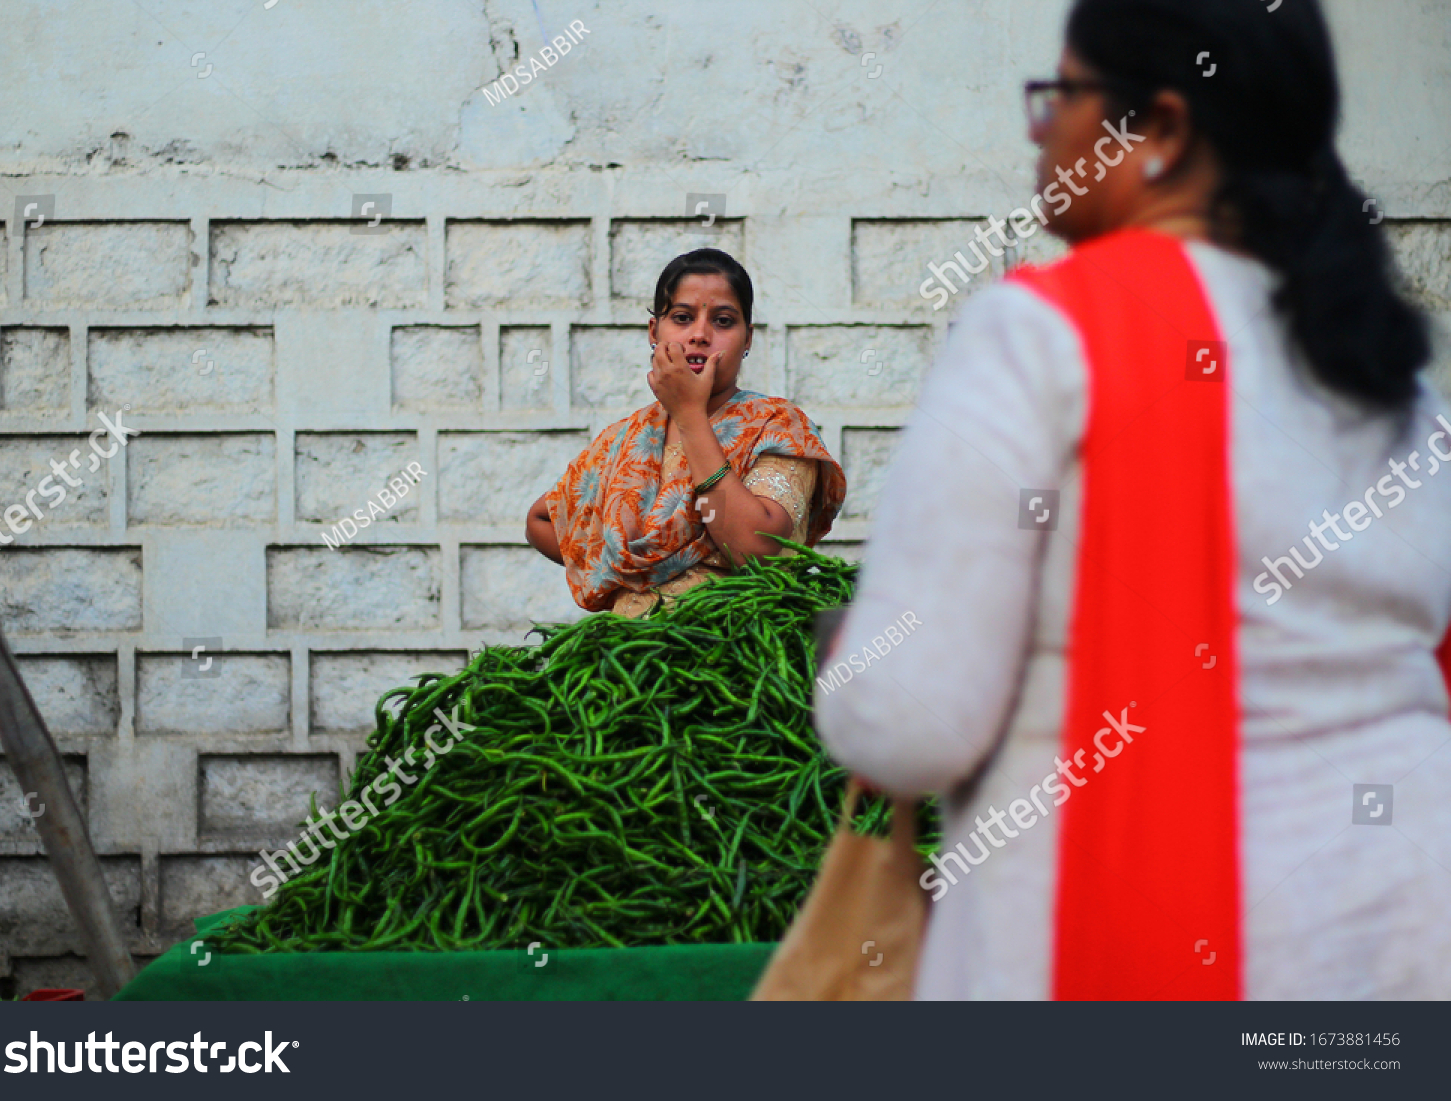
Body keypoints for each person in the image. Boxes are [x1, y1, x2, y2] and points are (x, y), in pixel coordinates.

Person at [816, 0, 1451, 1000]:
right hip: (1401, 938)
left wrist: (852, 651)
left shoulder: (1040, 333)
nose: (1042, 127)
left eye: (1063, 93)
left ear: (1157, 129)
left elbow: (914, 721)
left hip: (1128, 949)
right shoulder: (1392, 377)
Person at [526, 248, 846, 618]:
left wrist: (691, 417)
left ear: (748, 339)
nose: (700, 335)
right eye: (682, 318)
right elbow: (541, 521)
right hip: (631, 661)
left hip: (734, 651)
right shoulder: (625, 438)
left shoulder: (776, 426)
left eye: (723, 321)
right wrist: (621, 577)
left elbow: (755, 550)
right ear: (654, 332)